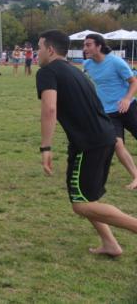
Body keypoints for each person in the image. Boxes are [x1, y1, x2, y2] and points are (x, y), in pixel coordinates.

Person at [36, 29, 137, 257]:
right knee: (86, 197)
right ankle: (110, 244)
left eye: (39, 47)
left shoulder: (48, 72)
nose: (37, 52)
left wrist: (46, 147)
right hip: (104, 138)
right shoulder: (76, 71)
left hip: (89, 144)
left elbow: (49, 109)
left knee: (80, 204)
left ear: (50, 50)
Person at [83, 34, 137, 189]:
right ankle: (135, 176)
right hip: (108, 112)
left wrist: (126, 99)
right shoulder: (88, 65)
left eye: (88, 45)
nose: (85, 48)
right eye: (84, 45)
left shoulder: (116, 62)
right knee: (117, 144)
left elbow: (133, 82)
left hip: (128, 107)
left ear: (99, 46)